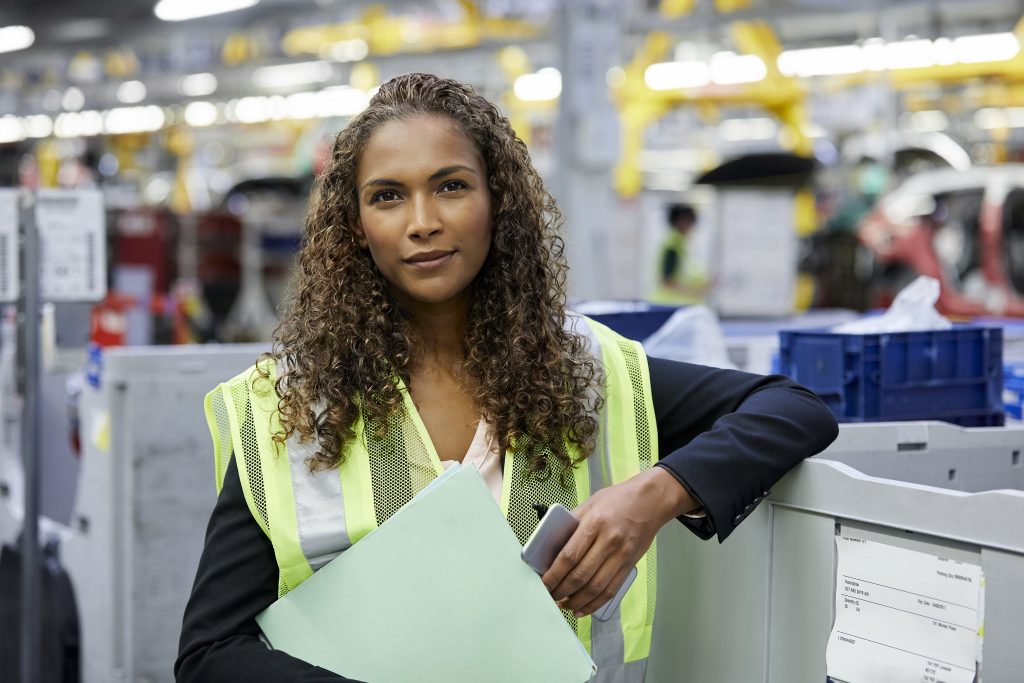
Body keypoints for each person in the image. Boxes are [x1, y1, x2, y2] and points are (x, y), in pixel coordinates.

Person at [175, 73, 838, 682]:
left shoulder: (583, 373)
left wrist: (654, 496)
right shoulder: (289, 409)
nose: (423, 221)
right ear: (355, 226)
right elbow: (208, 654)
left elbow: (793, 409)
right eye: (387, 196)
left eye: (451, 185)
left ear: (498, 200)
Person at [651, 203, 708, 305]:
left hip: (676, 306)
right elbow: (668, 281)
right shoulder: (673, 246)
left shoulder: (679, 245)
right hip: (671, 306)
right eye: (691, 222)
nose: (692, 227)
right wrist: (696, 292)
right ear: (681, 222)